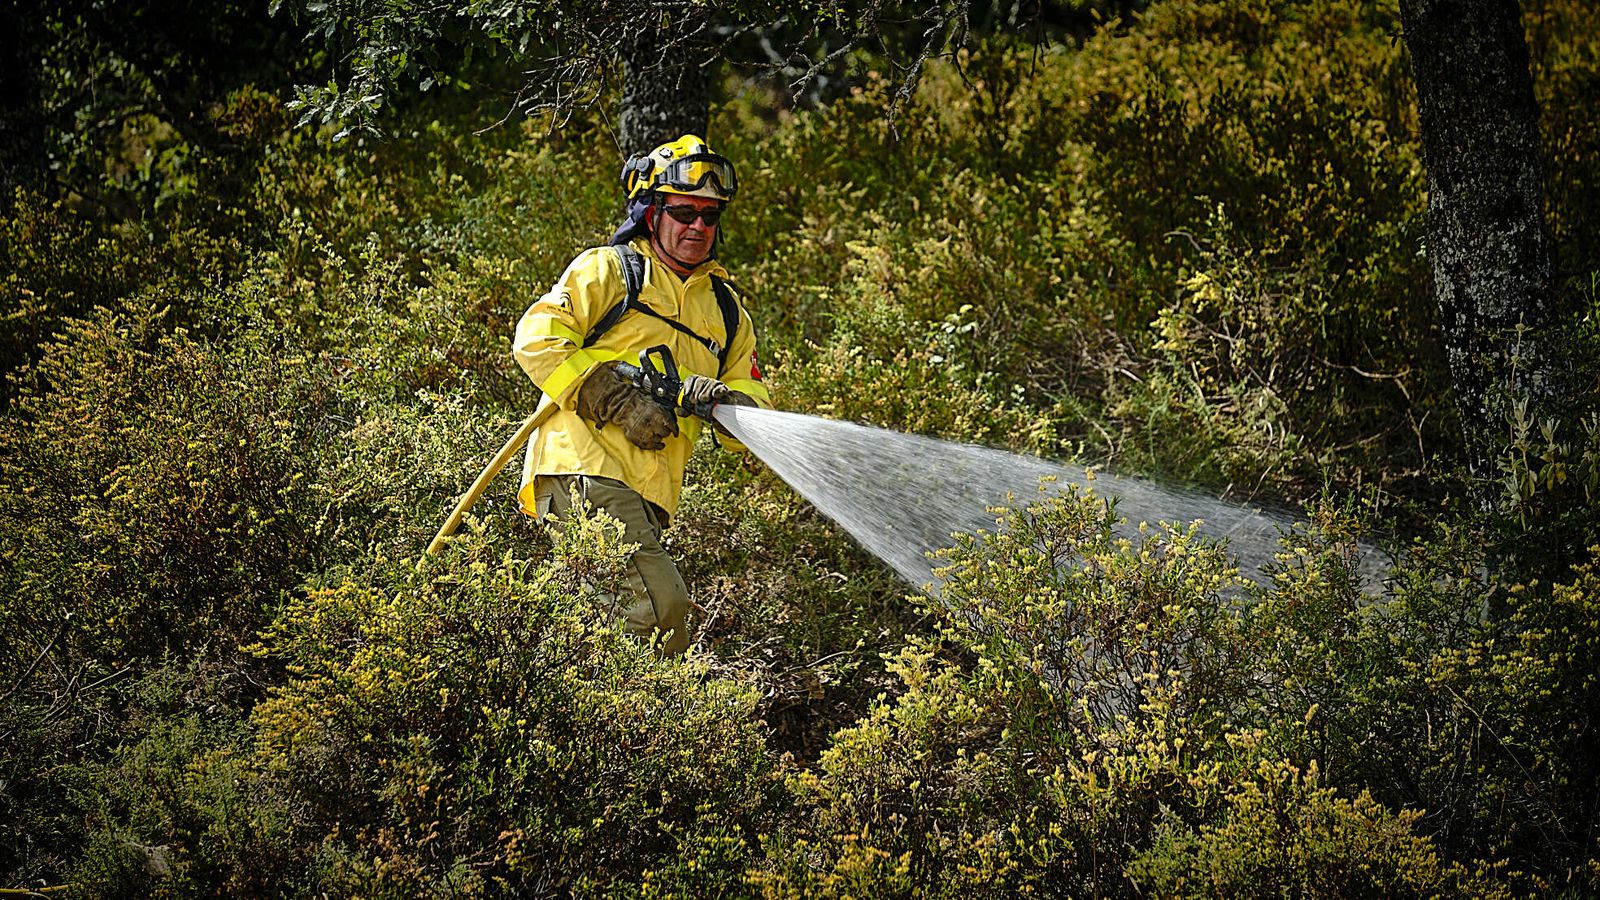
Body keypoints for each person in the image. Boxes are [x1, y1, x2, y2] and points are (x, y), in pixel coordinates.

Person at [512, 134, 771, 656]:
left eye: (710, 216)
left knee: (600, 627)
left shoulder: (725, 311)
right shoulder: (610, 270)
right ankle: (655, 728)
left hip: (648, 493)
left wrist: (724, 407)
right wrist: (616, 400)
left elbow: (756, 405)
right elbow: (536, 339)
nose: (698, 226)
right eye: (683, 212)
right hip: (584, 466)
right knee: (659, 610)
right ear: (651, 212)